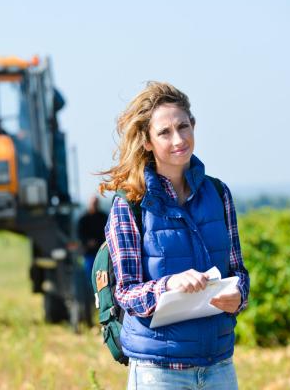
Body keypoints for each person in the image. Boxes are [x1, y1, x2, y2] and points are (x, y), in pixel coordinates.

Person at [98, 82, 250, 389]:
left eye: (183, 127)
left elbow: (238, 272)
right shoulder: (130, 204)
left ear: (194, 126)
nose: (178, 139)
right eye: (164, 132)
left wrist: (240, 295)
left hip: (219, 364)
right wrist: (169, 285)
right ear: (147, 142)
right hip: (158, 371)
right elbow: (125, 293)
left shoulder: (219, 193)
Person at [77, 195, 109, 280]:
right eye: (93, 203)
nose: (94, 205)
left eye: (96, 203)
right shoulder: (83, 218)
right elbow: (80, 234)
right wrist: (87, 242)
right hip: (89, 253)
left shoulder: (103, 217)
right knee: (90, 275)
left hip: (102, 251)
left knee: (103, 274)